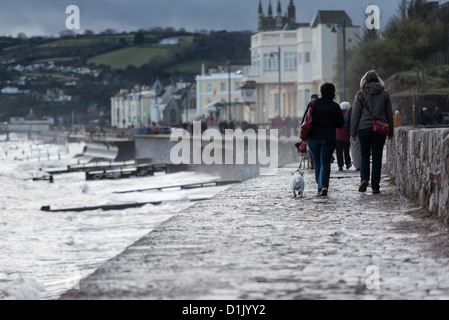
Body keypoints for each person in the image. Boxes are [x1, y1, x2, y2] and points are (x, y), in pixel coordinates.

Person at [350, 70, 394, 194]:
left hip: (363, 128)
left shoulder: (360, 94)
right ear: (378, 80)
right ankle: (375, 186)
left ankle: (364, 179)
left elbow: (355, 115)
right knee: (377, 157)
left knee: (364, 154)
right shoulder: (384, 94)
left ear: (365, 80)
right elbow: (389, 114)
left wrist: (353, 133)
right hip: (380, 129)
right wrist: (391, 132)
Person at [303, 83, 344, 196]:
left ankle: (320, 186)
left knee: (317, 163)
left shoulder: (313, 103)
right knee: (325, 162)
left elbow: (304, 120)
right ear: (333, 93)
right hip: (328, 138)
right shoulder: (335, 106)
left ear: (321, 92)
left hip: (313, 138)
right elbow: (341, 124)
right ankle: (323, 186)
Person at [336, 102, 352, 171]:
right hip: (346, 135)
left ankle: (340, 165)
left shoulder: (337, 114)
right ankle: (348, 163)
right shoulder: (349, 114)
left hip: (337, 136)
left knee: (339, 151)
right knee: (346, 150)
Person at [344, 104, 360, 171]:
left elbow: (347, 122)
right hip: (367, 129)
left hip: (355, 131)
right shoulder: (368, 107)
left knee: (355, 149)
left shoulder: (351, 109)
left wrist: (351, 131)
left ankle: (358, 165)